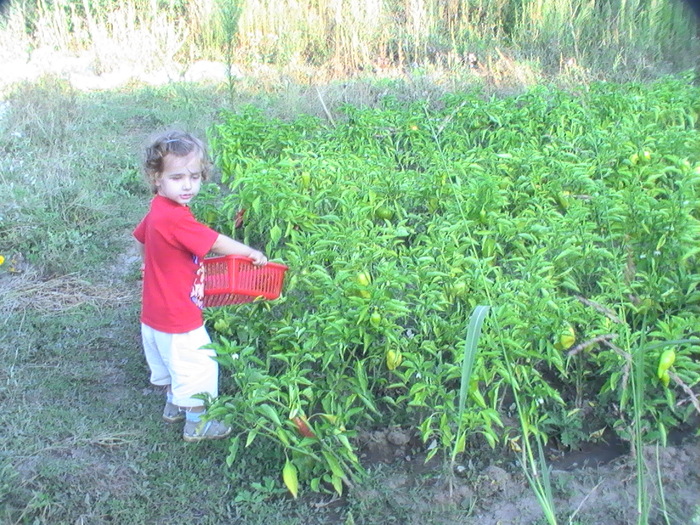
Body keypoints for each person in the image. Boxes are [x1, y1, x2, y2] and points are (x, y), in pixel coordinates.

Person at [133, 130, 267, 443]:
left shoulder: (158, 211)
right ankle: (200, 422)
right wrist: (249, 252)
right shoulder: (177, 220)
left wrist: (146, 263)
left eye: (195, 176)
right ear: (157, 178)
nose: (188, 185)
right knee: (199, 366)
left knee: (171, 361)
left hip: (154, 311)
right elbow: (215, 242)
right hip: (178, 313)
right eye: (177, 177)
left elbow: (140, 237)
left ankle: (173, 406)